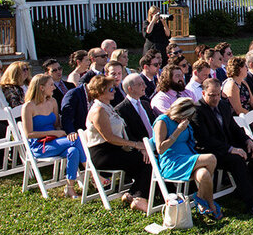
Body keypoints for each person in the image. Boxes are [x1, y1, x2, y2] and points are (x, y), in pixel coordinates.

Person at [190, 79, 253, 217]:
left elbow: (234, 128)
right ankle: (250, 203)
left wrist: (247, 141)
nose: (215, 98)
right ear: (203, 93)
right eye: (211, 95)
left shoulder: (223, 105)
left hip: (228, 145)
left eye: (218, 94)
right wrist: (231, 149)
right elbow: (205, 140)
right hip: (212, 152)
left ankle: (243, 190)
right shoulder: (197, 111)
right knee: (237, 160)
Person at [82, 74, 151, 212]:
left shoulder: (107, 107)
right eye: (110, 89)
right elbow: (110, 138)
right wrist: (135, 145)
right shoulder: (99, 110)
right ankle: (140, 198)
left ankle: (132, 194)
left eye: (114, 88)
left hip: (115, 150)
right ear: (100, 91)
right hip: (103, 153)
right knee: (146, 163)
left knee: (147, 159)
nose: (114, 91)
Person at [19, 73, 84, 198]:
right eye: (51, 85)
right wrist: (54, 133)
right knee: (76, 140)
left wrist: (59, 132)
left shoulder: (53, 102)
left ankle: (70, 188)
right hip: (40, 145)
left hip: (55, 141)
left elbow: (57, 125)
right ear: (41, 87)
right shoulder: (28, 106)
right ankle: (92, 174)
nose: (54, 87)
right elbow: (29, 134)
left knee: (73, 151)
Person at [153, 97, 219, 218]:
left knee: (204, 174)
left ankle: (203, 200)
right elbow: (160, 149)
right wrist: (178, 131)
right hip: (172, 162)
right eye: (183, 116)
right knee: (211, 158)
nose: (184, 120)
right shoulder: (162, 121)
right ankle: (206, 202)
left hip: (188, 158)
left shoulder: (183, 122)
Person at [118, 73, 156, 140]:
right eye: (140, 84)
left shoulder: (146, 104)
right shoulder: (121, 110)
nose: (145, 86)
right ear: (130, 89)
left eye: (144, 83)